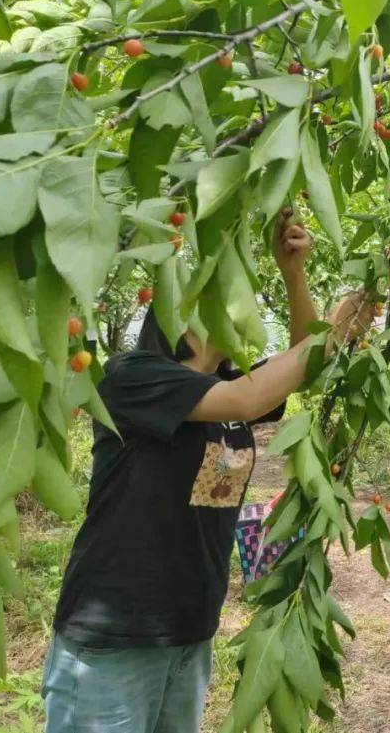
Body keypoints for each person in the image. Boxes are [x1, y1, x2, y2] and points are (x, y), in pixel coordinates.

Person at [42, 210, 371, 733]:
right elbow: (256, 391)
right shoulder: (135, 376)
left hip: (189, 629)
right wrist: (335, 328)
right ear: (175, 315)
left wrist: (298, 274)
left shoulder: (226, 386)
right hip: (116, 634)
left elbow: (303, 366)